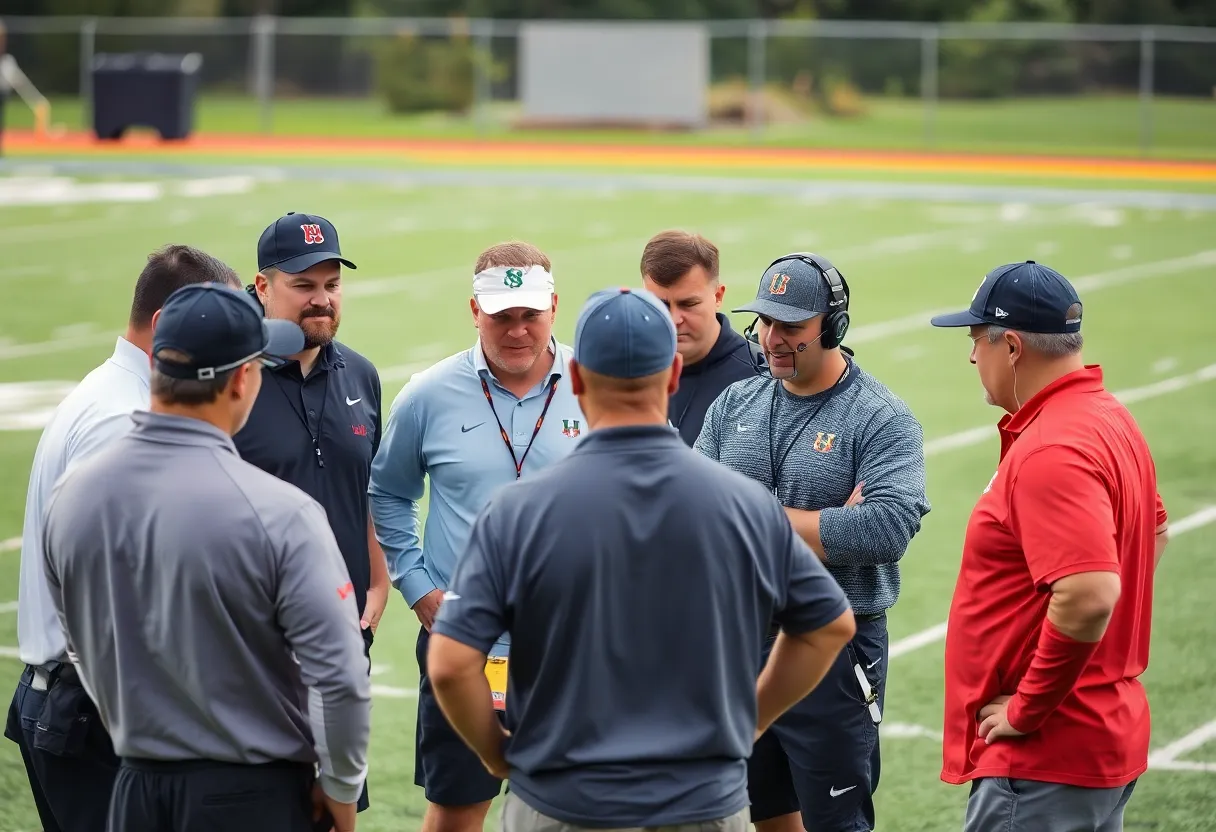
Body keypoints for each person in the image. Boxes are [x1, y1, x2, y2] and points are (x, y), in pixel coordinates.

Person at [426, 285, 857, 832]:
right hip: (703, 803)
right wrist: (750, 719)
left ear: (576, 379)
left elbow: (450, 664)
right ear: (673, 375)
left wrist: (496, 754)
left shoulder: (515, 511)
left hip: (561, 803)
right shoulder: (744, 505)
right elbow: (828, 625)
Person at [41, 281, 372, 832]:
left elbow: (79, 644)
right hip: (251, 798)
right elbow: (338, 678)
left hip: (133, 789)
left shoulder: (73, 496)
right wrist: (340, 789)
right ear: (242, 379)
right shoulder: (280, 512)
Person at [5, 245, 242, 832]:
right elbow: (109, 604)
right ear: (166, 325)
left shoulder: (113, 396)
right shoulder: (122, 420)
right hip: (96, 715)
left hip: (78, 705)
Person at [930, 261, 1170, 832]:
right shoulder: (1107, 415)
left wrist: (1029, 705)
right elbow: (1153, 533)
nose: (972, 357)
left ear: (1012, 346)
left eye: (977, 339)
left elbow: (1089, 593)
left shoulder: (1051, 448)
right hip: (1093, 736)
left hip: (1045, 757)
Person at [695, 252, 931, 832]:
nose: (771, 339)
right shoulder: (736, 404)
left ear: (833, 326)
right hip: (739, 642)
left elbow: (885, 528)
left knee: (836, 823)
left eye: (791, 326)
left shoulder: (880, 417)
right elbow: (692, 516)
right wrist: (823, 525)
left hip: (834, 651)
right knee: (764, 816)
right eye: (764, 322)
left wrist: (747, 517)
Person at [368, 241, 586, 832]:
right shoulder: (428, 394)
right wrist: (417, 586)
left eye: (530, 315)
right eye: (501, 315)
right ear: (474, 311)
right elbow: (387, 492)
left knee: (575, 811)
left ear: (554, 308)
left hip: (572, 643)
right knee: (458, 809)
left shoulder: (597, 387)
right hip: (466, 644)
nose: (517, 330)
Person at [235, 213, 388, 816]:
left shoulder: (361, 373)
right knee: (262, 808)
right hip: (257, 642)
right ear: (262, 286)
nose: (321, 299)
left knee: (336, 803)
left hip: (345, 634)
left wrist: (378, 580)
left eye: (331, 284)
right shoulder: (234, 379)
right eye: (303, 285)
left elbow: (368, 487)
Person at [639, 230, 763, 445]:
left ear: (718, 296)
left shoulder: (760, 378)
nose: (674, 319)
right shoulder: (626, 370)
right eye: (660, 305)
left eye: (688, 304)